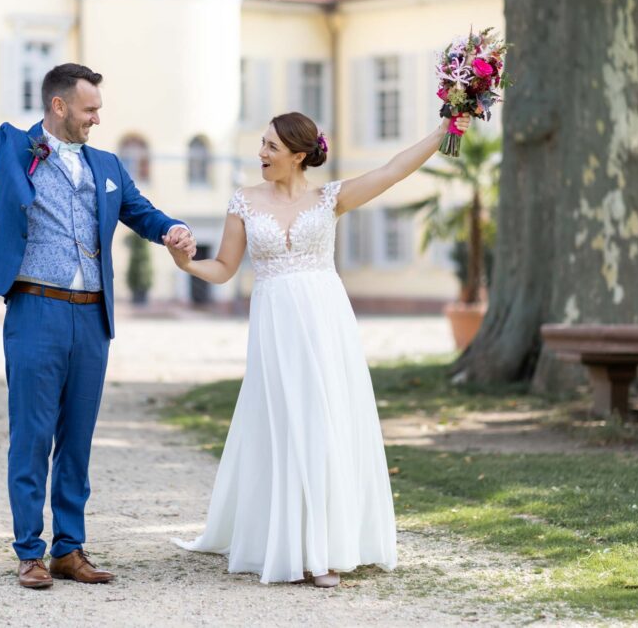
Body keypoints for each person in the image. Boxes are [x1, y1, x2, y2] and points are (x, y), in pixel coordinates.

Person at [0, 0, 197, 589]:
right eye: (90, 108)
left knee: (76, 441)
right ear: (59, 105)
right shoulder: (8, 148)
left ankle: (68, 549)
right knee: (31, 438)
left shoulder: (106, 164)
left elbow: (141, 212)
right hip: (35, 311)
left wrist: (170, 230)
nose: (99, 117)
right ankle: (29, 551)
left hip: (91, 320)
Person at [170, 110, 468, 587]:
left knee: (324, 422)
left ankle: (322, 551)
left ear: (299, 156)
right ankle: (284, 541)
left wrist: (444, 131)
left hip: (325, 322)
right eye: (262, 144)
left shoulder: (331, 198)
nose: (261, 153)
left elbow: (393, 170)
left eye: (271, 147)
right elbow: (224, 268)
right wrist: (185, 264)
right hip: (275, 326)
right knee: (285, 423)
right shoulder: (243, 202)